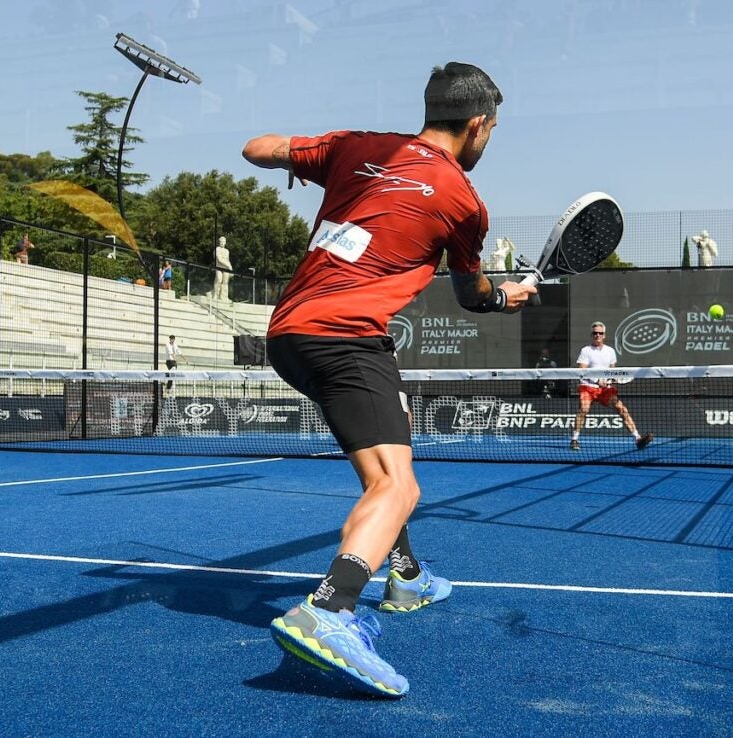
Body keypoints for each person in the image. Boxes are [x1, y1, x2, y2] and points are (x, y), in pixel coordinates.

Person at [242, 61, 534, 698]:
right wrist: (506, 298)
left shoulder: (357, 147)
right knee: (400, 487)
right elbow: (471, 292)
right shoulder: (463, 202)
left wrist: (303, 164)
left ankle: (405, 576)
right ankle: (330, 609)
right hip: (348, 334)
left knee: (381, 470)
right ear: (478, 125)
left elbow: (257, 147)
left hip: (290, 333)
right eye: (493, 129)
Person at [570, 321, 653, 451]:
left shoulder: (610, 351)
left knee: (622, 409)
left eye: (600, 333)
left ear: (604, 335)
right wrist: (597, 380)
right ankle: (574, 439)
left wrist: (612, 379)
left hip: (605, 390)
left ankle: (637, 439)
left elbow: (613, 371)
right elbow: (582, 371)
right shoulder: (585, 350)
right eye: (595, 333)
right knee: (583, 410)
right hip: (588, 386)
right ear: (591, 335)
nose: (597, 335)